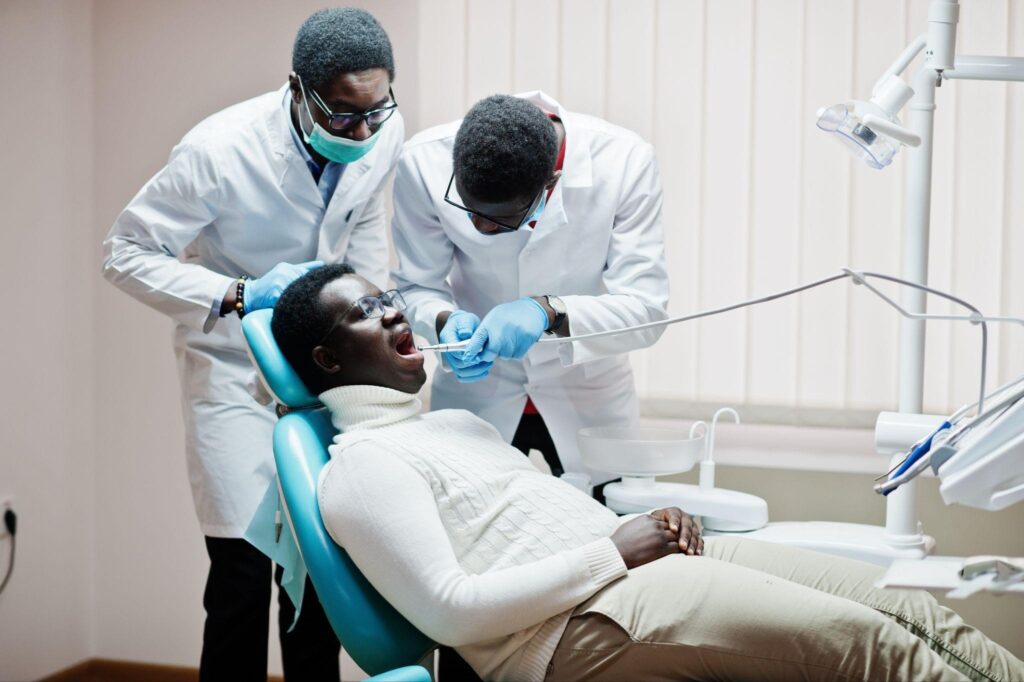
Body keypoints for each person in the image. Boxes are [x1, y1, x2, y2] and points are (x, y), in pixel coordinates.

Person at [270, 264, 1024, 682]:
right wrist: (614, 551)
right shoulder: (361, 470)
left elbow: (535, 521)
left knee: (913, 614)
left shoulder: (452, 424)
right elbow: (451, 612)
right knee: (872, 649)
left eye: (389, 299)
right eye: (367, 312)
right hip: (575, 625)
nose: (399, 315)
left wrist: (651, 527)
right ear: (329, 361)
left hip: (631, 568)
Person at [101, 8, 404, 679]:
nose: (360, 132)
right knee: (243, 571)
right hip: (234, 370)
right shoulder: (218, 151)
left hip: (320, 375)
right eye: (342, 116)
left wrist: (372, 321)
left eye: (374, 112)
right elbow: (122, 253)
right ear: (298, 91)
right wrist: (241, 293)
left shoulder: (381, 132)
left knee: (321, 572)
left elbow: (365, 240)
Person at [391, 92, 668, 497]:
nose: (477, 230)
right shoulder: (423, 162)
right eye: (467, 211)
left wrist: (549, 312)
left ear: (550, 187)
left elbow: (647, 310)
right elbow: (417, 285)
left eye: (497, 220)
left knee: (615, 536)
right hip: (479, 393)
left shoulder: (625, 163)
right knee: (475, 536)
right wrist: (442, 320)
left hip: (589, 395)